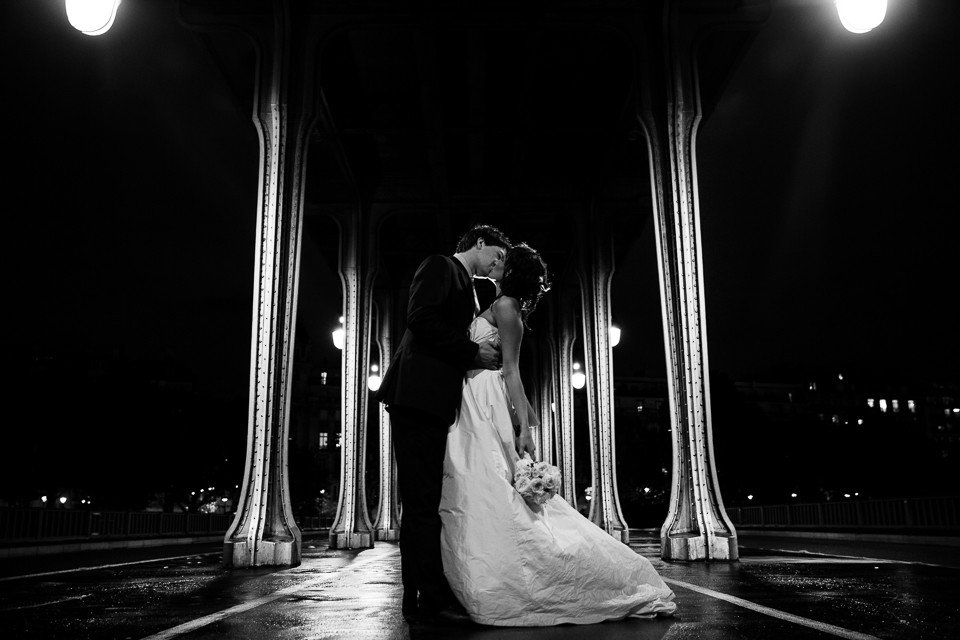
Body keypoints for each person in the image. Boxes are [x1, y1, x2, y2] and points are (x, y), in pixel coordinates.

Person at [440, 243, 677, 626]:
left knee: (485, 482)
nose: (496, 262)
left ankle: (508, 576)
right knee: (484, 483)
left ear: (511, 270)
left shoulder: (504, 308)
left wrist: (521, 428)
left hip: (483, 397)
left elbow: (511, 371)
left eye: (503, 260)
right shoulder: (506, 306)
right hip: (475, 393)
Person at [375, 224, 512, 624]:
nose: (500, 263)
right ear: (479, 243)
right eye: (498, 255)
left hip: (432, 402)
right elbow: (420, 318)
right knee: (421, 503)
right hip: (417, 397)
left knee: (425, 501)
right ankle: (428, 596)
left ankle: (421, 592)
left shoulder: (468, 286)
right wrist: (472, 352)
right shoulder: (440, 266)